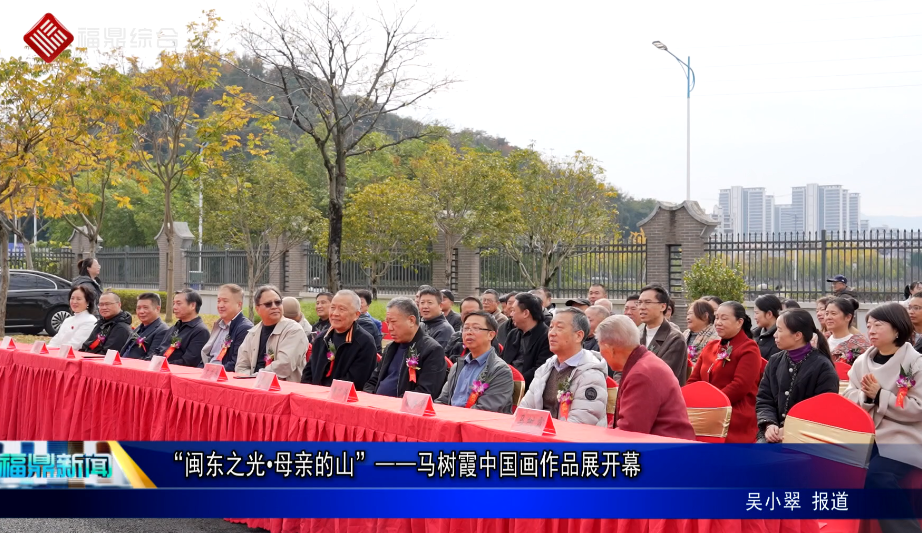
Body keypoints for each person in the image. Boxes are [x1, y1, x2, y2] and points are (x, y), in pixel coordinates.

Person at [843, 303, 922, 533]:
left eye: (878, 325)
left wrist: (880, 395)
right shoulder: (861, 362)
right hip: (866, 435)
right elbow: (849, 394)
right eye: (868, 326)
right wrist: (866, 398)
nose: (872, 330)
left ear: (897, 329)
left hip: (903, 436)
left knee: (879, 476)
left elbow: (917, 407)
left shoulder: (914, 363)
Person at [596, 315, 696, 439]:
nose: (600, 353)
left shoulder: (641, 374)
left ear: (609, 349)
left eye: (600, 347)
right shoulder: (643, 362)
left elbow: (630, 433)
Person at [756, 309, 839, 443]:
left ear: (797, 335)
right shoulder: (775, 361)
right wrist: (769, 424)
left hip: (807, 437)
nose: (775, 335)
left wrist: (789, 429)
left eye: (780, 330)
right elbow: (764, 398)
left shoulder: (822, 367)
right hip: (773, 433)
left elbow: (823, 409)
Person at [519, 308, 609, 426]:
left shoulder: (591, 375)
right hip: (541, 437)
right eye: (551, 327)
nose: (551, 333)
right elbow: (523, 411)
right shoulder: (546, 368)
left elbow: (579, 424)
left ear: (578, 336)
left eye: (559, 328)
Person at [688, 301, 761, 443]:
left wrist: (711, 403)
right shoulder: (711, 346)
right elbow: (693, 380)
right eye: (716, 318)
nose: (718, 322)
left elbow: (739, 386)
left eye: (724, 318)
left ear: (739, 322)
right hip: (705, 412)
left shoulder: (749, 348)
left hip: (733, 415)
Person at [365, 298, 447, 398]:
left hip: (401, 408)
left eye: (394, 322)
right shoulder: (390, 347)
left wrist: (392, 404)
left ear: (411, 320)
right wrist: (369, 397)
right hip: (377, 404)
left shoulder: (432, 350)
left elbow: (425, 392)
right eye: (388, 322)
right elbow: (373, 380)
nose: (390, 328)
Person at [436, 311, 514, 412]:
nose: (469, 332)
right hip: (451, 421)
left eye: (476, 328)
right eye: (466, 328)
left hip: (478, 424)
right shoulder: (457, 366)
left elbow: (485, 409)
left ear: (491, 335)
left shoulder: (500, 370)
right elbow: (443, 400)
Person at [302, 290, 377, 388]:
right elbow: (308, 372)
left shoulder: (365, 343)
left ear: (356, 315)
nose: (335, 313)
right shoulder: (321, 338)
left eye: (342, 309)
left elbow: (355, 381)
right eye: (332, 308)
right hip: (315, 396)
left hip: (342, 399)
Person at [236, 285, 308, 382]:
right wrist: (250, 379)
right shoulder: (252, 333)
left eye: (278, 302)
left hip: (283, 390)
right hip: (253, 386)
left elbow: (284, 366)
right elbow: (241, 366)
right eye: (268, 304)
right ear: (257, 309)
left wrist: (254, 377)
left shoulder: (294, 330)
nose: (274, 306)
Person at [637, 284, 688, 385]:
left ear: (663, 306)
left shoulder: (675, 339)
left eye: (647, 302)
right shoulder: (635, 335)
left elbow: (662, 376)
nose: (642, 307)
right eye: (639, 303)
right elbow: (622, 368)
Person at [502, 292, 553, 388]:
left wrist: (515, 382)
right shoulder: (513, 334)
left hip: (530, 388)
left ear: (525, 313)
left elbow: (540, 369)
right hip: (505, 385)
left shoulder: (547, 337)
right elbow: (502, 361)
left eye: (513, 310)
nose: (511, 314)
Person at [151, 289, 210, 367]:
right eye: (174, 303)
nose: (174, 307)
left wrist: (162, 365)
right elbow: (159, 350)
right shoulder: (174, 328)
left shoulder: (201, 331)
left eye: (178, 304)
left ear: (192, 305)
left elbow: (189, 362)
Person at [200, 284, 253, 370]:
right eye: (218, 301)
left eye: (225, 301)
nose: (220, 305)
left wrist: (210, 372)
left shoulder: (244, 328)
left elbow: (236, 363)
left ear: (239, 305)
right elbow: (206, 357)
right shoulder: (218, 325)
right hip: (208, 374)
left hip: (223, 377)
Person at [121, 292, 169, 360]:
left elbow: (151, 359)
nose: (141, 311)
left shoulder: (162, 331)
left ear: (157, 309)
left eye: (145, 308)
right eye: (138, 308)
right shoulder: (138, 328)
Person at [48, 285, 98, 350]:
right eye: (72, 298)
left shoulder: (90, 320)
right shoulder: (68, 320)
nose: (74, 302)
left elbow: (75, 345)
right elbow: (56, 340)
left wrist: (56, 351)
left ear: (88, 302)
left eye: (78, 299)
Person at [824, 297, 871, 365]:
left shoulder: (860, 345)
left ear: (848, 317)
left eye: (833, 313)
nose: (828, 317)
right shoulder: (819, 341)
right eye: (826, 313)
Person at [445, 297, 485, 363]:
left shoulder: (486, 336)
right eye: (466, 313)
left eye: (473, 313)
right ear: (460, 314)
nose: (470, 316)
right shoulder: (455, 336)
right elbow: (445, 358)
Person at [683, 299, 720, 367]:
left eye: (690, 314)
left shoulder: (716, 335)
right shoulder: (685, 333)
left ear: (705, 316)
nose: (687, 318)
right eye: (687, 314)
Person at [752, 294, 783, 360]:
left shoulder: (781, 338)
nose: (755, 317)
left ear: (769, 314)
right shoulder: (754, 333)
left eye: (757, 313)